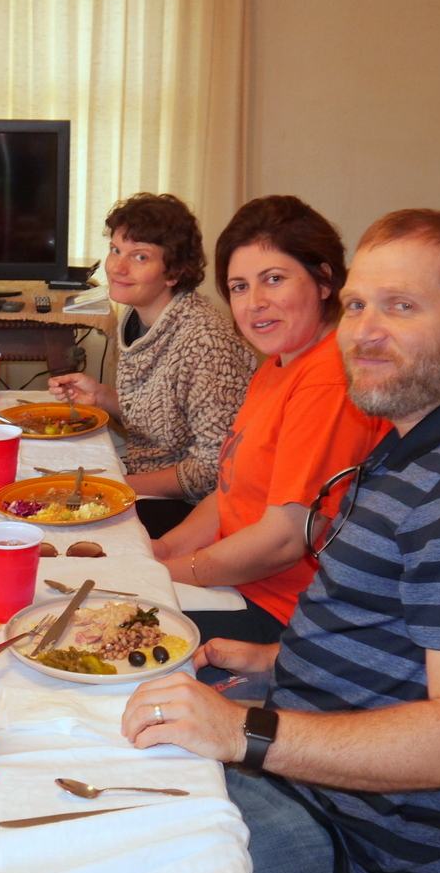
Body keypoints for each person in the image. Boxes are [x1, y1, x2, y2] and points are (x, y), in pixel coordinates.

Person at [120, 209, 440, 873]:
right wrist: (276, 661)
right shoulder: (419, 446)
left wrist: (241, 730)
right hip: (308, 772)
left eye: (401, 306)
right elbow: (397, 634)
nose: (363, 331)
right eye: (359, 305)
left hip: (355, 844)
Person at [151, 196, 387, 643]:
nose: (255, 303)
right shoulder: (279, 364)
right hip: (237, 583)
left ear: (324, 280)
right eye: (239, 287)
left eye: (274, 279)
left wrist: (165, 573)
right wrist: (161, 550)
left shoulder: (328, 380)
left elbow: (285, 540)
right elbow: (231, 491)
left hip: (283, 613)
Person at [48, 194, 255, 537]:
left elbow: (213, 470)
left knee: (64, 528)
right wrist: (102, 397)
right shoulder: (137, 314)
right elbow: (164, 417)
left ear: (173, 273)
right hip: (149, 483)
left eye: (139, 257)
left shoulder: (205, 343)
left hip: (194, 512)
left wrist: (118, 483)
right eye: (116, 250)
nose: (117, 267)